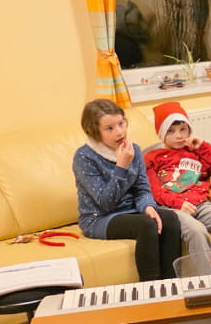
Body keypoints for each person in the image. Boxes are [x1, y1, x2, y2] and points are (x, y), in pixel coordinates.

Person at [73, 99, 182, 281]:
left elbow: (142, 188)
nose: (119, 132)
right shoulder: (84, 157)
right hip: (99, 218)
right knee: (146, 225)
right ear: (94, 132)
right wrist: (121, 166)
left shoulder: (134, 149)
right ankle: (151, 287)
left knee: (169, 219)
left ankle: (171, 284)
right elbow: (105, 202)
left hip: (130, 211)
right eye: (109, 128)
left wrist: (147, 206)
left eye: (121, 123)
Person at [145, 101, 211, 257]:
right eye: (171, 131)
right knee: (197, 231)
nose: (179, 136)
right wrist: (178, 203)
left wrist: (203, 147)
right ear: (162, 134)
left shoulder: (197, 152)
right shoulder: (152, 157)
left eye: (183, 129)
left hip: (202, 206)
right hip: (173, 209)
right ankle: (208, 274)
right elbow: (154, 191)